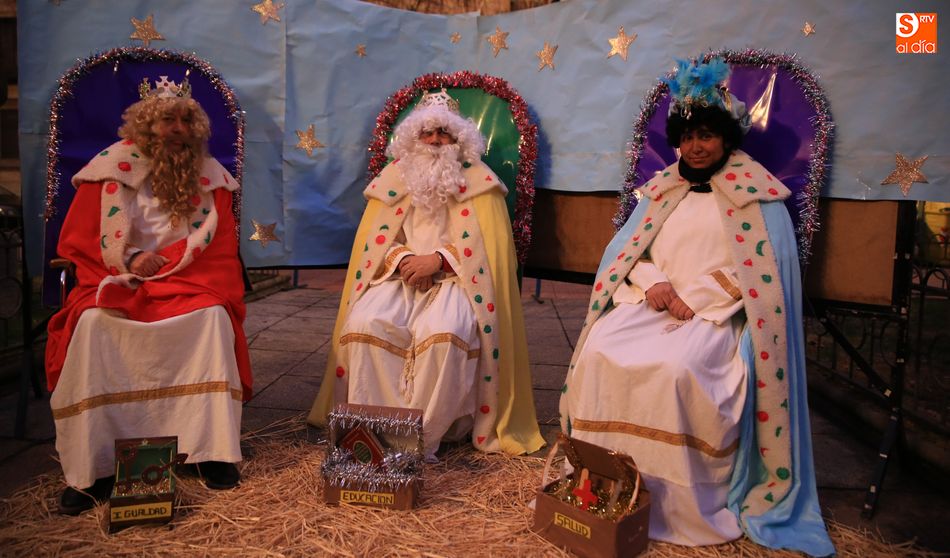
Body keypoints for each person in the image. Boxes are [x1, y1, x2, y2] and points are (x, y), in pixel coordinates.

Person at [559, 59, 834, 556]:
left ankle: (675, 505)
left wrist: (700, 297)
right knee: (600, 350)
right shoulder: (662, 190)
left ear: (727, 138)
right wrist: (654, 283)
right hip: (652, 302)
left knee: (678, 370)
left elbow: (761, 274)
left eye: (706, 135)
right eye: (687, 137)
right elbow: (630, 254)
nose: (696, 147)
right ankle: (599, 484)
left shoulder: (759, 197)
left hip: (716, 315)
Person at [45, 77, 252, 515]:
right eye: (165, 121)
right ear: (144, 126)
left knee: (212, 317)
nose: (176, 129)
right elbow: (80, 240)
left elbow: (219, 248)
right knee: (93, 325)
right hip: (119, 278)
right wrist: (131, 257)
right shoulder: (109, 169)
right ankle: (94, 468)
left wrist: (172, 263)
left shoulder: (210, 177)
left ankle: (211, 452)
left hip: (189, 281)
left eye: (183, 120)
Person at [308, 89, 543, 460]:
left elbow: (489, 249)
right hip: (397, 279)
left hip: (457, 282)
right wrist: (403, 260)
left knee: (444, 333)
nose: (435, 141)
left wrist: (439, 260)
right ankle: (373, 429)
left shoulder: (481, 183)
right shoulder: (394, 178)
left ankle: (418, 440)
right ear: (413, 137)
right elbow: (377, 242)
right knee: (365, 324)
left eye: (444, 133)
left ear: (458, 139)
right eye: (427, 133)